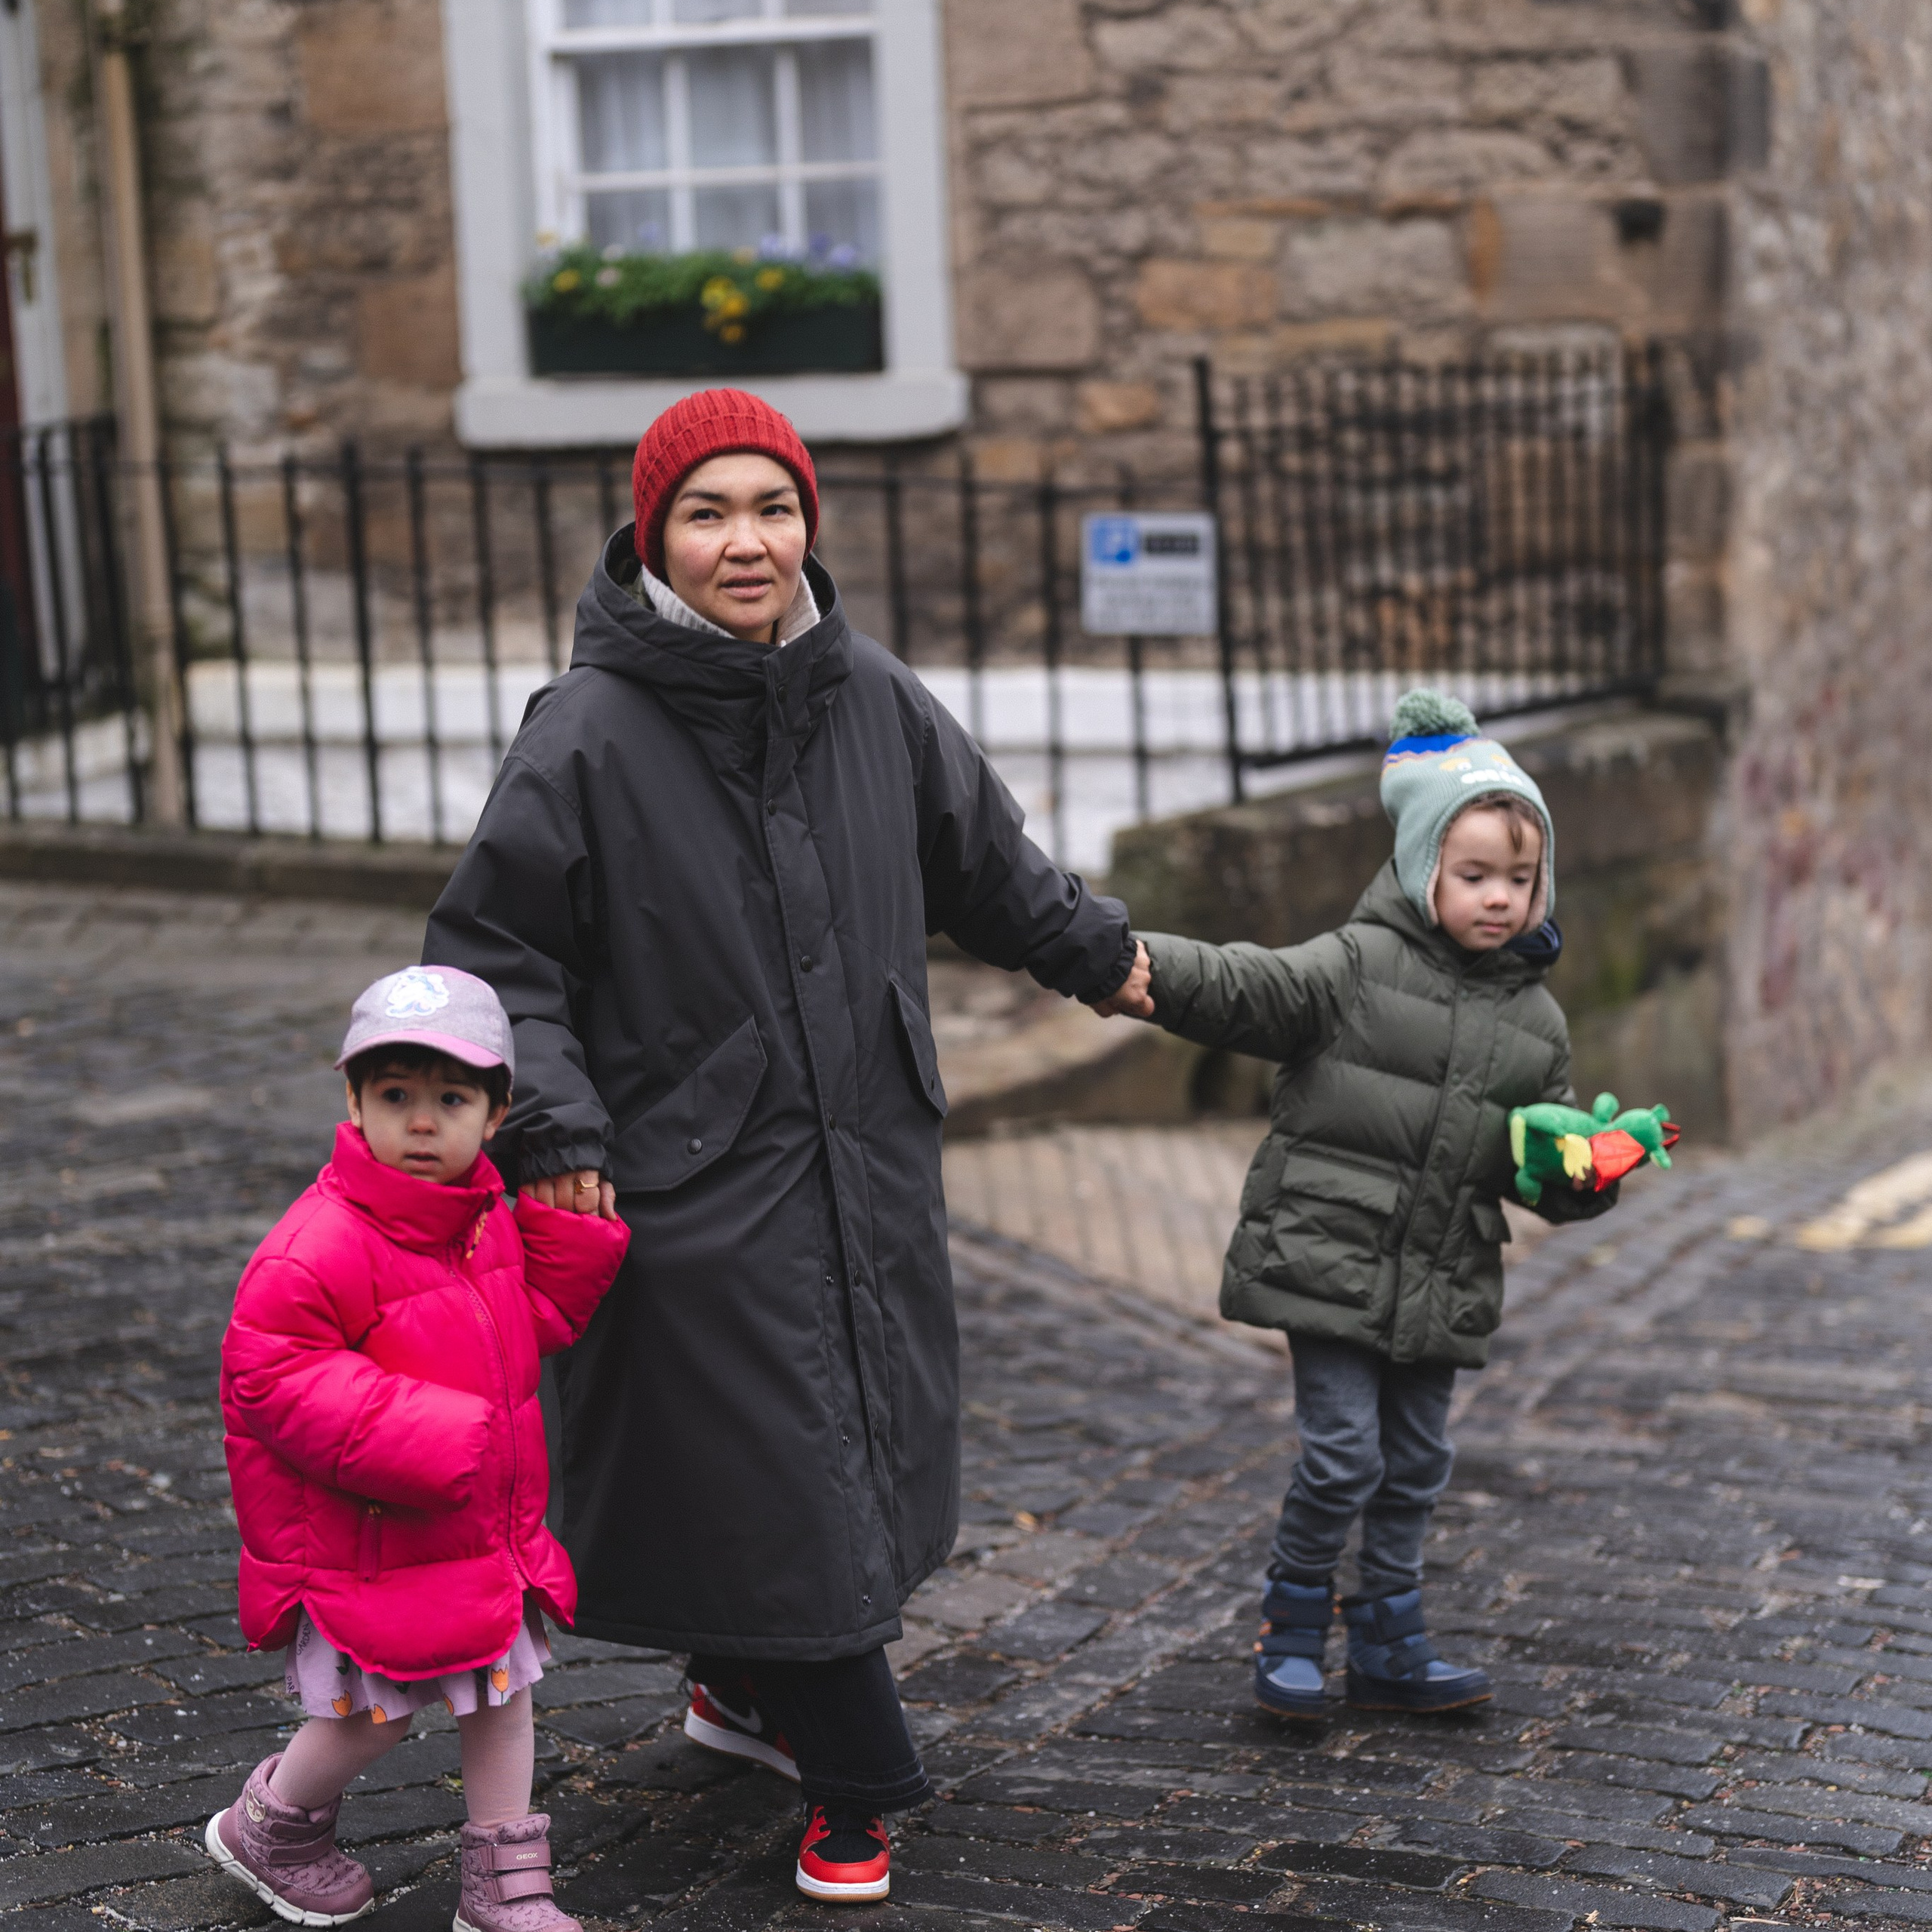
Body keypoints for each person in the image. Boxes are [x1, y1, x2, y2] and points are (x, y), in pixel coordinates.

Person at [423, 389, 1149, 1903]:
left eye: (772, 507)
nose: (745, 541)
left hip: (863, 1148)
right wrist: (550, 1125)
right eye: (707, 512)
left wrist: (1105, 956)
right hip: (686, 1169)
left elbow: (987, 863)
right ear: (654, 537)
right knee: (774, 1461)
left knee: (833, 1441)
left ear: (808, 522)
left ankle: (738, 1685)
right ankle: (858, 1772)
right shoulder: (586, 731)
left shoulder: (868, 692)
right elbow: (497, 956)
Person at [1092, 690, 1617, 1719]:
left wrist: (1583, 1171)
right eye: (1474, 875)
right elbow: (1248, 987)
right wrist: (1138, 966)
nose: (1499, 898)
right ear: (1425, 870)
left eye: (1519, 880)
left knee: (1416, 1465)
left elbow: (1538, 1160)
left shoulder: (1539, 1023)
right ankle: (1290, 1629)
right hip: (1328, 1257)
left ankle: (1389, 1641)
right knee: (1343, 1459)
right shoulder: (1355, 968)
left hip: (1442, 1275)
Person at [205, 966, 629, 1930]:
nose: (424, 1122)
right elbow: (270, 1370)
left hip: (478, 1537)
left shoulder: (481, 1227)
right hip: (376, 1543)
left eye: (452, 1100)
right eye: (396, 1096)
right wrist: (431, 1431)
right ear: (355, 1103)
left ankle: (505, 1888)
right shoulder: (319, 1242)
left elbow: (518, 1327)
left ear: (497, 1113)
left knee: (504, 1699)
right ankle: (270, 1826)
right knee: (371, 1715)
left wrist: (568, 1246)